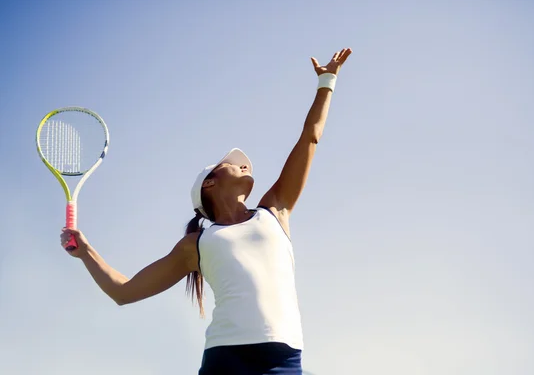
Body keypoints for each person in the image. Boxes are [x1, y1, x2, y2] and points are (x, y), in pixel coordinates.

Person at [60, 47, 353, 374]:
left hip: (283, 362)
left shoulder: (275, 211)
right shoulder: (196, 244)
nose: (242, 165)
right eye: (231, 164)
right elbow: (124, 292)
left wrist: (327, 81)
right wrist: (85, 251)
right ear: (209, 184)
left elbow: (310, 138)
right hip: (226, 360)